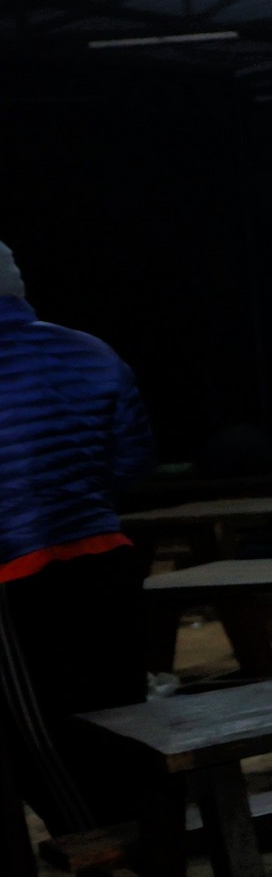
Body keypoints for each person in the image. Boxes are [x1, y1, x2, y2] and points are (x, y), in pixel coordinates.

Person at [0, 239, 155, 841]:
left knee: (41, 743)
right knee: (120, 722)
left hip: (16, 580)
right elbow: (131, 466)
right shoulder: (92, 351)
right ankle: (148, 858)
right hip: (105, 561)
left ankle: (107, 874)